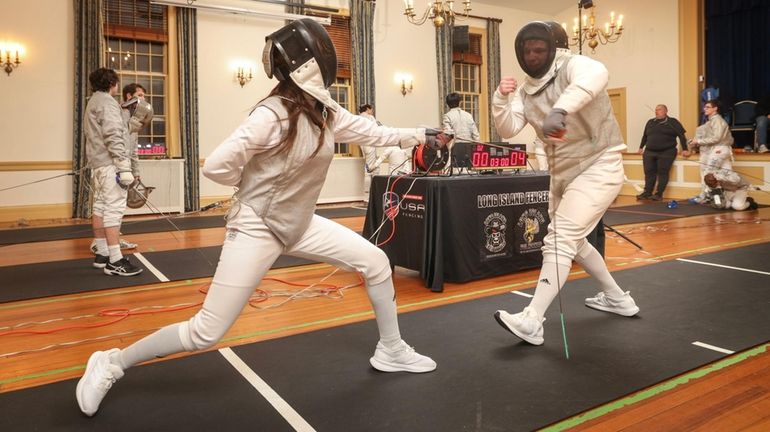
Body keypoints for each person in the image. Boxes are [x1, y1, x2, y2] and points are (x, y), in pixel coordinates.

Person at [76, 19, 450, 417]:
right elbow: (216, 166)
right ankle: (112, 361)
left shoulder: (322, 109)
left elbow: (368, 130)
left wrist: (421, 133)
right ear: (309, 63)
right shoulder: (271, 115)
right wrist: (253, 186)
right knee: (207, 331)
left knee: (376, 262)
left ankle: (391, 349)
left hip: (300, 222)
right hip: (257, 225)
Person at [491, 21, 639, 346]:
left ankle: (532, 320)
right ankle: (617, 298)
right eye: (526, 49)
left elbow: (597, 74)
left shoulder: (575, 66)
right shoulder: (525, 90)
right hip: (561, 174)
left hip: (599, 165)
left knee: (560, 239)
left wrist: (560, 109)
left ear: (554, 48)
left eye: (538, 48)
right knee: (577, 241)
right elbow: (508, 129)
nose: (531, 55)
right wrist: (500, 99)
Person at [84, 68, 143, 277]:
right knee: (114, 210)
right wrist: (123, 166)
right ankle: (116, 261)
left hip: (98, 165)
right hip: (110, 165)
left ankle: (102, 254)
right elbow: (113, 135)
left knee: (100, 206)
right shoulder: (108, 103)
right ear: (112, 83)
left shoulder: (93, 101)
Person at [87, 83, 152, 255]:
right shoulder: (114, 112)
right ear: (128, 96)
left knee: (106, 206)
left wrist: (135, 172)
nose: (143, 98)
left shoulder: (130, 119)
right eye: (139, 94)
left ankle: (106, 247)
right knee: (111, 208)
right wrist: (123, 168)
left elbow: (133, 151)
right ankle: (111, 253)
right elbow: (113, 140)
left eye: (144, 95)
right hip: (111, 167)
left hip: (115, 166)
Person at [683, 100, 734, 203]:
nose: (704, 109)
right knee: (727, 173)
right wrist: (695, 143)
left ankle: (704, 196)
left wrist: (698, 141)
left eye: (708, 107)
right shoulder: (711, 122)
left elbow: (717, 138)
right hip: (722, 150)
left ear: (715, 108)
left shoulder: (717, 120)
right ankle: (729, 198)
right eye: (704, 107)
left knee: (708, 173)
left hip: (719, 150)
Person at [637, 104, 687, 201]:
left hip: (667, 151)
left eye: (659, 109)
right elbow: (645, 136)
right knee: (649, 172)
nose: (656, 111)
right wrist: (641, 147)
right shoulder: (650, 122)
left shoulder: (673, 122)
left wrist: (685, 149)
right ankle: (647, 192)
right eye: (656, 110)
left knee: (662, 172)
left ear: (665, 111)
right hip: (650, 151)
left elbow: (681, 136)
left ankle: (659, 194)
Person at [358, 103, 380, 202]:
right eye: (372, 110)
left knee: (369, 169)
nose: (372, 112)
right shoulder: (370, 117)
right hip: (370, 144)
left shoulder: (358, 118)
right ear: (368, 109)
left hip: (363, 145)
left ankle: (368, 196)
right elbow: (377, 130)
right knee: (370, 170)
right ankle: (368, 197)